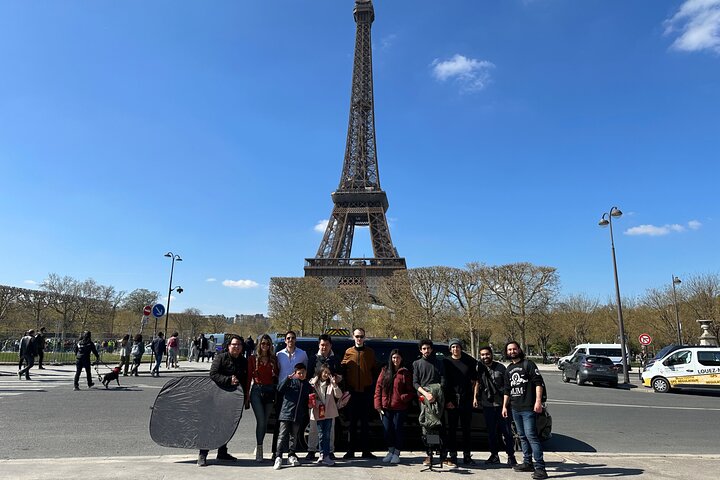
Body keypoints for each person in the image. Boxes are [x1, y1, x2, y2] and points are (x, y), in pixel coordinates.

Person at [198, 334, 248, 467]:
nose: (236, 347)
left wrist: (245, 398)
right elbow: (213, 374)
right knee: (211, 425)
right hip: (217, 397)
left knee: (227, 426)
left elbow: (245, 380)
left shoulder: (244, 361)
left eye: (239, 345)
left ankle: (222, 452)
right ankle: (203, 454)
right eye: (234, 344)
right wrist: (228, 380)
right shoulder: (221, 358)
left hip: (233, 399)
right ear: (229, 346)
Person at [502, 341, 548, 480]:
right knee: (521, 436)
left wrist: (538, 401)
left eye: (514, 349)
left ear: (519, 349)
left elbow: (538, 383)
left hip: (528, 408)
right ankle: (527, 462)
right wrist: (504, 406)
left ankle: (540, 468)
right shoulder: (509, 369)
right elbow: (507, 390)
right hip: (515, 408)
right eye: (509, 350)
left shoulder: (528, 364)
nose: (512, 351)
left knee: (531, 436)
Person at [413, 338, 453, 468]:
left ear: (432, 349)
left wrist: (435, 394)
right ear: (420, 350)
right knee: (428, 428)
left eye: (428, 348)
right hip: (424, 400)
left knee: (440, 427)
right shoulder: (417, 364)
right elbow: (415, 383)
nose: (426, 351)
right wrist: (426, 394)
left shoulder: (438, 363)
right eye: (424, 349)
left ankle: (443, 456)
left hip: (438, 400)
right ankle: (429, 455)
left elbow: (443, 380)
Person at [475, 345, 516, 466]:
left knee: (507, 432)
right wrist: (475, 397)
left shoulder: (500, 368)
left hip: (501, 405)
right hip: (487, 404)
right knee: (491, 432)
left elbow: (507, 387)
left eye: (487, 354)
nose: (485, 357)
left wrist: (505, 404)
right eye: (483, 355)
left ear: (491, 355)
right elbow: (477, 382)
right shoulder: (479, 368)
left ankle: (511, 456)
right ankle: (494, 455)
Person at [341, 327, 378, 459]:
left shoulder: (370, 352)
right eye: (357, 336)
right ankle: (350, 451)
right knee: (352, 423)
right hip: (352, 393)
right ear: (353, 337)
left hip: (366, 392)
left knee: (365, 423)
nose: (359, 339)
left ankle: (366, 451)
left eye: (361, 336)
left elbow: (375, 371)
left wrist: (372, 388)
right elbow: (343, 370)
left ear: (364, 337)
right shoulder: (348, 352)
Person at [374, 348, 415, 464]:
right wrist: (378, 405)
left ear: (401, 359)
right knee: (387, 430)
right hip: (386, 407)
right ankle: (390, 451)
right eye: (393, 358)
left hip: (399, 407)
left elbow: (411, 391)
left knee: (397, 430)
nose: (395, 360)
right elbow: (378, 388)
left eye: (398, 358)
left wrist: (403, 398)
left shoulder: (405, 373)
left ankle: (396, 453)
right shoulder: (385, 370)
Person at [272, 331, 308, 457]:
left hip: (296, 391)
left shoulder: (302, 354)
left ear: (295, 340)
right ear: (285, 340)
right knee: (281, 424)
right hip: (282, 390)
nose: (290, 340)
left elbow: (305, 370)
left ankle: (292, 453)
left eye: (293, 338)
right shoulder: (279, 354)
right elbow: (276, 371)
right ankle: (276, 453)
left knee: (295, 425)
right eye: (288, 338)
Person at [443, 338, 478, 466]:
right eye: (453, 347)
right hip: (452, 400)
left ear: (461, 348)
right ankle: (453, 456)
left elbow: (475, 381)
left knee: (466, 429)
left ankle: (467, 456)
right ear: (450, 349)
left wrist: (474, 397)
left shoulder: (469, 361)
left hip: (466, 399)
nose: (455, 349)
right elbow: (444, 383)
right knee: (452, 429)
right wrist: (448, 400)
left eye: (457, 346)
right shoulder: (446, 362)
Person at [306, 334, 341, 460]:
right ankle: (311, 450)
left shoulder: (335, 359)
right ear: (318, 345)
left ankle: (329, 451)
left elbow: (340, 375)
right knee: (313, 425)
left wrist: (336, 380)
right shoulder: (313, 359)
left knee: (330, 428)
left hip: (330, 397)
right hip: (316, 397)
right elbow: (308, 376)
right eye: (322, 345)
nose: (324, 347)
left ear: (330, 345)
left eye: (326, 345)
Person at [273, 362, 311, 470]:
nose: (301, 375)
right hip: (286, 412)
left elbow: (308, 398)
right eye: (299, 373)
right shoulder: (291, 382)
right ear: (295, 373)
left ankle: (291, 455)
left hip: (298, 414)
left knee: (294, 436)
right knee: (282, 435)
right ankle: (278, 456)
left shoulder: (307, 385)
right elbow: (279, 389)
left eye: (303, 372)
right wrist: (287, 379)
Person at [248, 333, 278, 462]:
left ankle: (259, 444)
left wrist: (274, 371)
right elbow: (249, 378)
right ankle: (259, 447)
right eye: (263, 343)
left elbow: (277, 375)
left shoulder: (273, 359)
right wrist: (246, 396)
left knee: (265, 422)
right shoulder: (252, 359)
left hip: (270, 390)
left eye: (268, 344)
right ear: (259, 344)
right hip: (257, 390)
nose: (265, 346)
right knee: (260, 420)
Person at [309, 364, 342, 466]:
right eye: (325, 372)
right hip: (318, 411)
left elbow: (339, 395)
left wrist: (335, 384)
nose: (326, 375)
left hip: (329, 412)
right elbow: (310, 395)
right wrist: (313, 383)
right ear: (320, 372)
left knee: (327, 434)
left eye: (328, 373)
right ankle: (322, 454)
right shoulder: (314, 383)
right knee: (321, 434)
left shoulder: (331, 384)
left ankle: (326, 455)